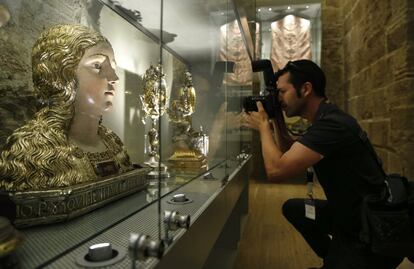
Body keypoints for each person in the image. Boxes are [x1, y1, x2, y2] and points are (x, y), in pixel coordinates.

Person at [242, 59, 404, 268]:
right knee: (294, 209)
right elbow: (289, 151)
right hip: (350, 214)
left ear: (306, 89)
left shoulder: (331, 126)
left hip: (371, 230)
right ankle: (335, 260)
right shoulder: (326, 118)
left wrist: (264, 126)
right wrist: (274, 119)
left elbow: (276, 171)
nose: (278, 98)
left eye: (282, 92)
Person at [0, 24, 132, 192]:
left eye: (113, 67)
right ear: (61, 75)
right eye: (97, 66)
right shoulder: (31, 152)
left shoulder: (113, 144)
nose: (114, 78)